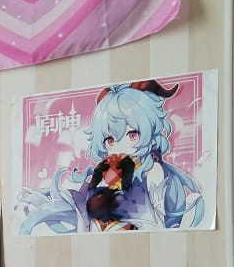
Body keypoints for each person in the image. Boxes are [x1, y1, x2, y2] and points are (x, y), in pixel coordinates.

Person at [17, 79, 205, 233]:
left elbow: (162, 225)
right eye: (110, 139)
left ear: (150, 131)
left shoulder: (153, 172)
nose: (119, 146)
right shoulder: (103, 171)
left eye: (132, 134)